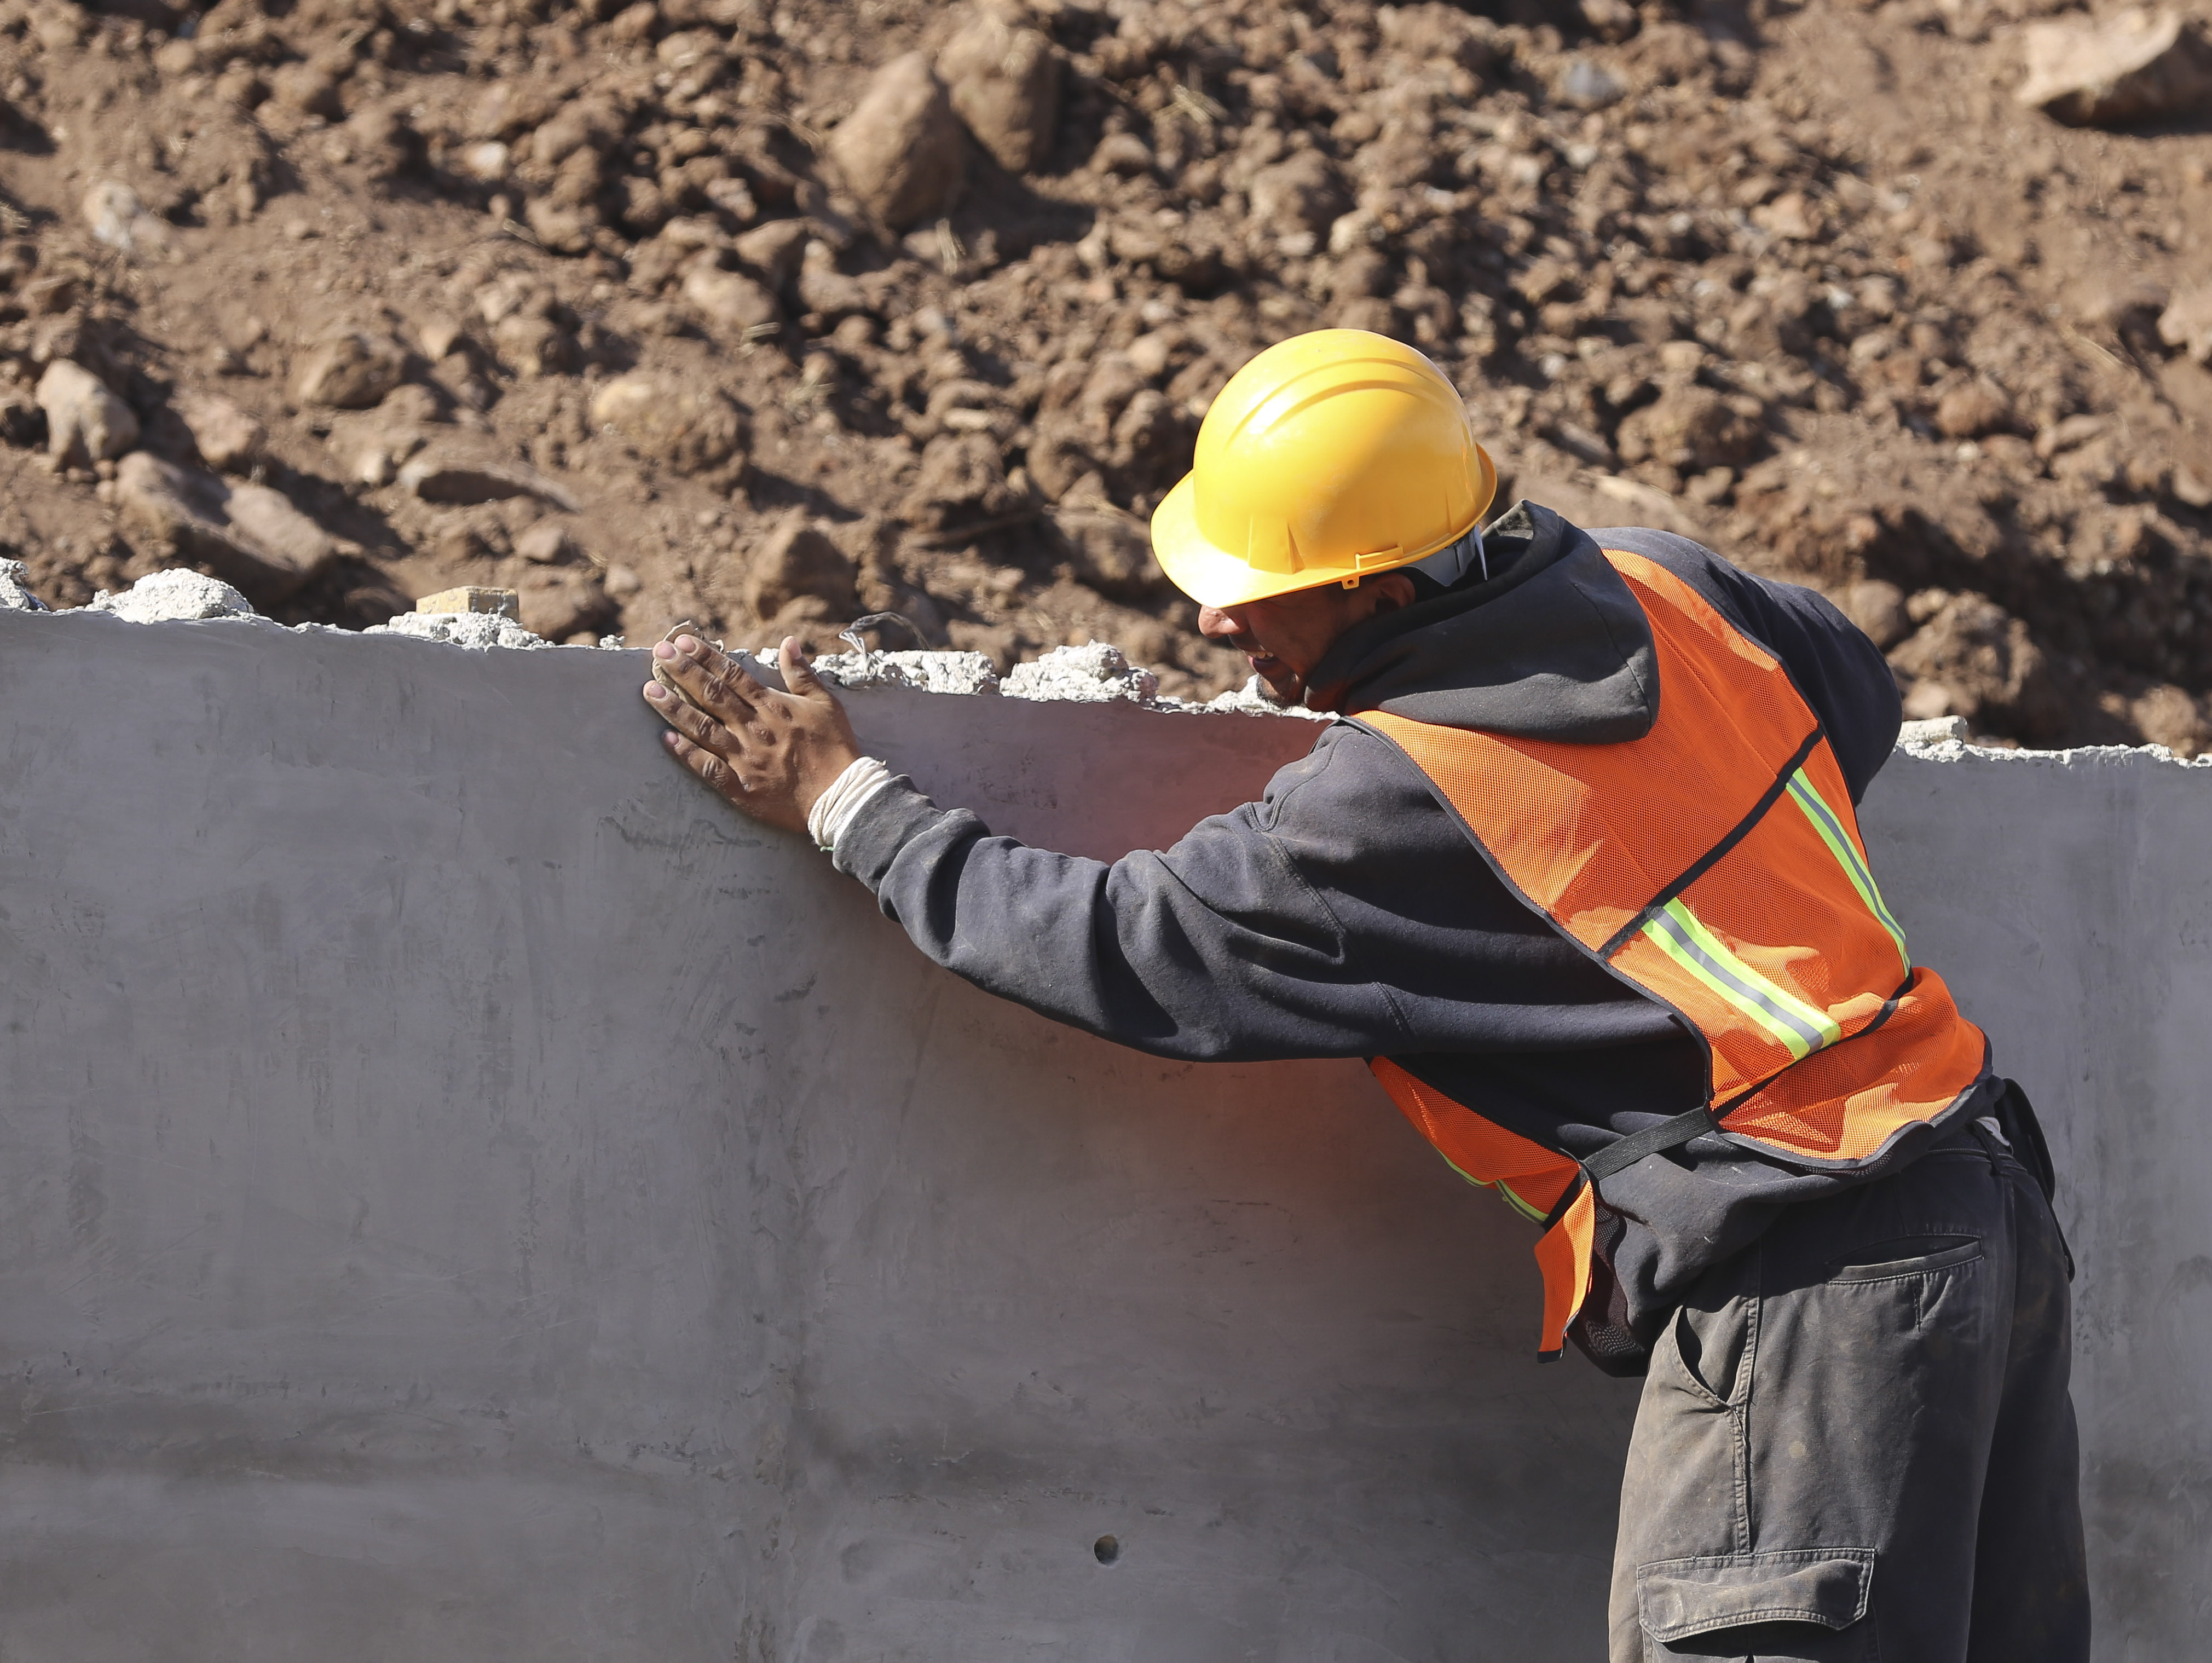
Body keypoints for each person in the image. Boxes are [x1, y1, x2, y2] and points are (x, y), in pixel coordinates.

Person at [640, 329, 2087, 1661]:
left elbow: (1123, 948)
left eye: (1259, 592)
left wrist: (847, 803)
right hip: (1981, 1210)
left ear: (1383, 594)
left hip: (1811, 1287)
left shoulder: (1399, 795)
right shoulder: (1665, 584)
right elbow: (1854, 692)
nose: (1218, 622)